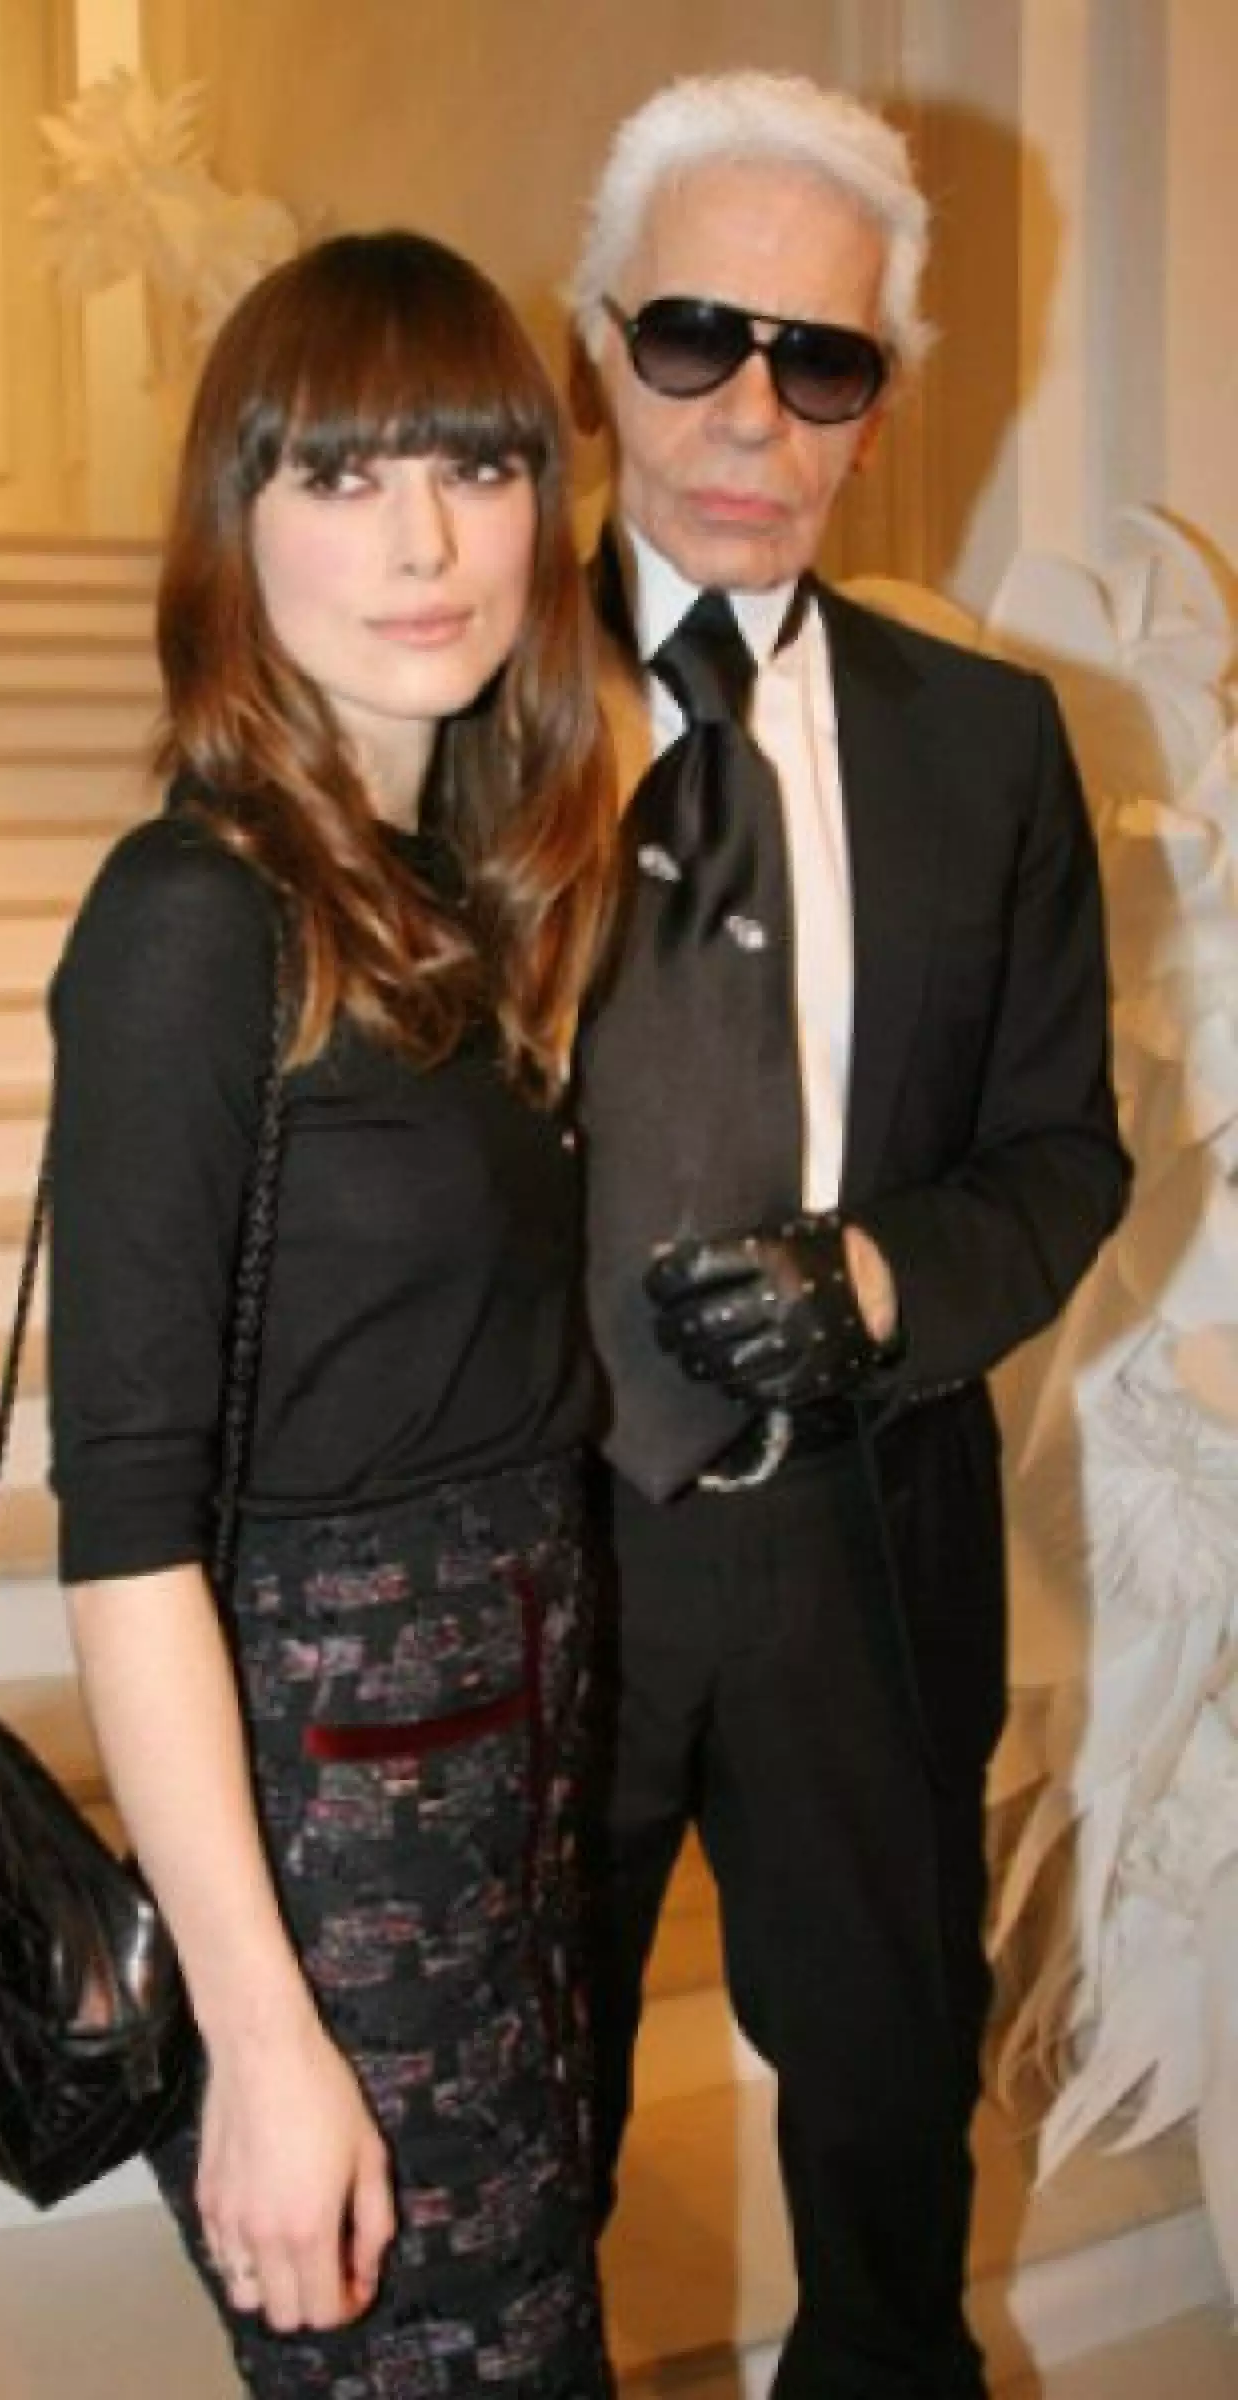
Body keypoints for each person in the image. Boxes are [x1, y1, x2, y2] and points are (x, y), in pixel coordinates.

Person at [570, 72, 1131, 2399]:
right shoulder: (444, 704)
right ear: (595, 345)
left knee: (891, 2166)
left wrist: (882, 1281)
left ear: (874, 408)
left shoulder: (985, 748)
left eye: (818, 360)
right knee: (507, 2167)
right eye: (691, 335)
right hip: (534, 1563)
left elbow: (1060, 1155)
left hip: (861, 1558)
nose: (748, 412)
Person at [45, 229, 618, 2398]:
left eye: (476, 467)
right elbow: (128, 1533)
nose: (425, 543)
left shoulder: (451, 893)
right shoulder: (189, 920)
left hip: (500, 1816)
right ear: (236, 523)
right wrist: (266, 2040)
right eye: (344, 476)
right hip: (329, 1864)